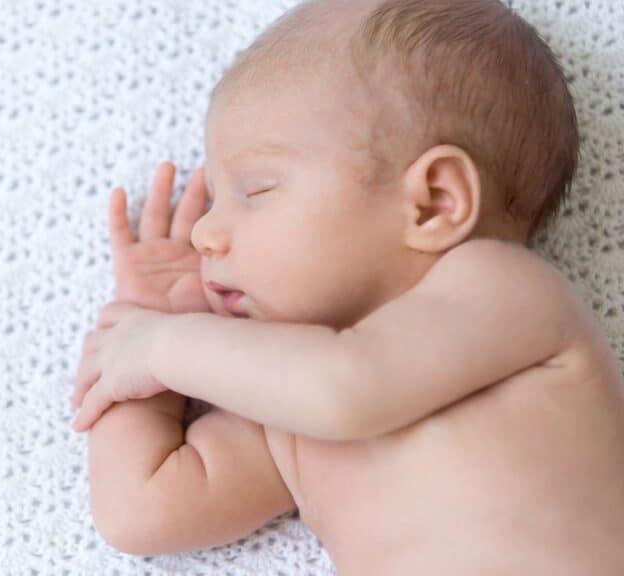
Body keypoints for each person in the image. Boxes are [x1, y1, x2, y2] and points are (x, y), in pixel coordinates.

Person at [69, 0, 624, 573]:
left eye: (257, 189)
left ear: (434, 203)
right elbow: (142, 512)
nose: (206, 232)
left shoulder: (505, 291)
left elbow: (345, 386)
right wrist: (139, 339)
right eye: (213, 201)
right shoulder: (285, 412)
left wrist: (166, 345)